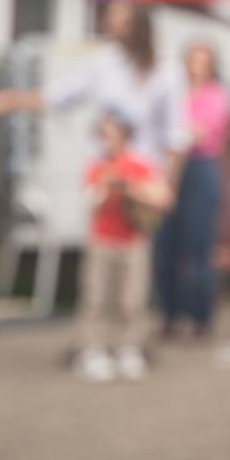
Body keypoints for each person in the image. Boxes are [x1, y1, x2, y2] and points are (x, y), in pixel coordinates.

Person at [0, 0, 188, 169]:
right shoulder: (105, 62)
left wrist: (167, 186)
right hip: (107, 172)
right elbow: (59, 95)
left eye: (119, 20)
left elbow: (175, 135)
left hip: (143, 176)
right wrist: (12, 101)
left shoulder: (165, 71)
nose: (110, 24)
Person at [77, 110, 172, 381]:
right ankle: (94, 349)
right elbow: (90, 203)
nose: (108, 140)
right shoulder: (96, 166)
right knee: (96, 297)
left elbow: (162, 198)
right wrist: (105, 186)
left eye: (113, 133)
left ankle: (129, 348)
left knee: (133, 298)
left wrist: (131, 188)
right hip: (103, 238)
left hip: (133, 239)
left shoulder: (140, 165)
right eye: (104, 134)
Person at [155, 42, 230, 340]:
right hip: (172, 168)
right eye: (193, 59)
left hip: (199, 169)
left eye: (203, 60)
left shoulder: (217, 95)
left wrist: (178, 132)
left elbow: (200, 133)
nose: (197, 66)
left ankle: (200, 317)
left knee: (197, 248)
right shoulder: (174, 92)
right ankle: (169, 314)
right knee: (165, 247)